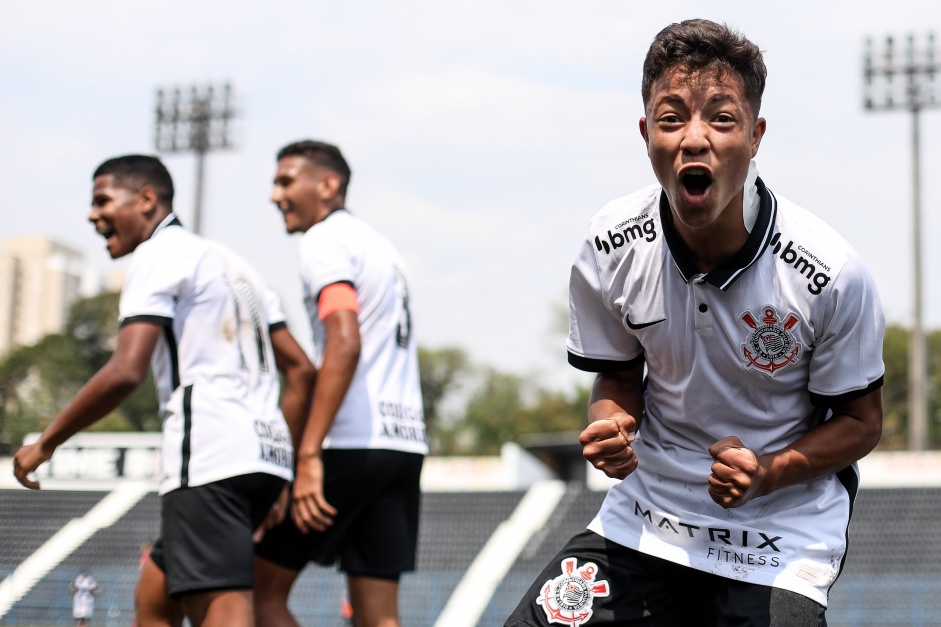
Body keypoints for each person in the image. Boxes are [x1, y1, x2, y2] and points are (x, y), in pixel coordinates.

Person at [506, 19, 885, 627]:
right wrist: (611, 423)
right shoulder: (610, 244)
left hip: (778, 533)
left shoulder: (830, 273)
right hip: (649, 516)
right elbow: (617, 380)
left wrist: (767, 472)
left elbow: (862, 424)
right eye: (672, 117)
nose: (694, 138)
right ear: (645, 132)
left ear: (756, 136)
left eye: (721, 118)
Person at [13, 155, 316, 627]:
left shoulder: (159, 254)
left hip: (210, 456)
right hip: (263, 456)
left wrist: (46, 443)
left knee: (226, 612)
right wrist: (283, 461)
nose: (93, 215)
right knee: (154, 598)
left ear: (147, 199)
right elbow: (300, 370)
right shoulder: (236, 265)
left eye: (102, 200)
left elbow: (126, 370)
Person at [254, 140, 427, 627]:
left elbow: (344, 341)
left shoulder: (323, 241)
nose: (275, 195)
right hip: (402, 444)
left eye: (286, 181)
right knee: (378, 618)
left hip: (348, 444)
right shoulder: (381, 247)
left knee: (255, 596)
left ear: (327, 185)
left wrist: (305, 456)